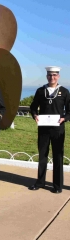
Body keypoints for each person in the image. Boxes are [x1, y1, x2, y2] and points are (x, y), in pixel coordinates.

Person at [29, 66, 70, 194]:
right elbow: (33, 107)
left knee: (58, 156)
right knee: (43, 156)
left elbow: (69, 111)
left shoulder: (64, 91)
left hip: (58, 129)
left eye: (54, 75)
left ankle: (57, 185)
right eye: (49, 75)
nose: (52, 77)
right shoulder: (41, 91)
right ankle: (40, 182)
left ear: (58, 76)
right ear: (47, 76)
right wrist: (35, 115)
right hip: (44, 129)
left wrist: (64, 118)